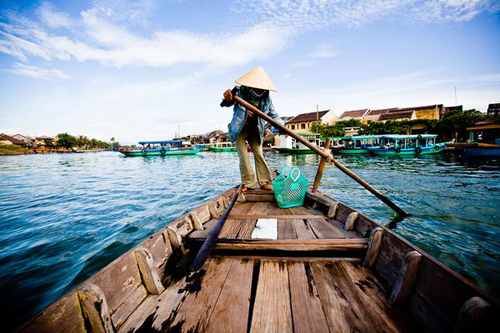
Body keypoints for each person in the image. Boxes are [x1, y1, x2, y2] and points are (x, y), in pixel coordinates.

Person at [221, 67, 283, 192]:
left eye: (262, 88)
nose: (259, 90)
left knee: (259, 155)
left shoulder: (266, 99)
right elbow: (225, 104)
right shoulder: (239, 92)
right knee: (243, 156)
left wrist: (282, 125)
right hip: (239, 130)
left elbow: (274, 115)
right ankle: (248, 183)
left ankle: (264, 182)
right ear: (250, 86)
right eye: (257, 87)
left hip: (256, 130)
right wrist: (228, 97)